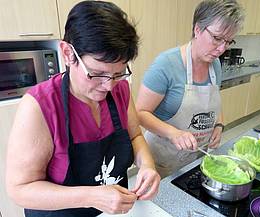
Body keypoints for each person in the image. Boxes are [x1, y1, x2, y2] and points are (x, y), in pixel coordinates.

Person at [6, 1, 160, 217]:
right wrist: (92, 196)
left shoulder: (120, 89)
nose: (109, 86)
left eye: (117, 74)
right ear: (68, 53)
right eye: (97, 73)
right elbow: (20, 189)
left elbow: (134, 136)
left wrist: (147, 166)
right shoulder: (39, 106)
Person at [136, 0, 244, 178]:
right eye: (217, 38)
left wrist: (219, 124)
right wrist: (173, 133)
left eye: (228, 41)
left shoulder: (215, 65)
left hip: (195, 158)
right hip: (162, 162)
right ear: (197, 29)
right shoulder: (166, 65)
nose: (222, 49)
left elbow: (214, 104)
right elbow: (139, 113)